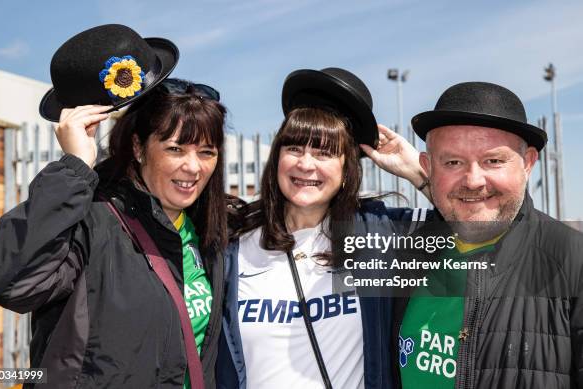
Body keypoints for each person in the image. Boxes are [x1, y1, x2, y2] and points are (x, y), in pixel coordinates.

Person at [0, 24, 228, 389]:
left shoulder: (213, 230)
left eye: (207, 152)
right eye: (175, 149)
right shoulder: (88, 220)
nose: (193, 167)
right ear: (139, 148)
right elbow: (9, 281)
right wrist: (75, 167)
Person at [216, 68, 431, 389]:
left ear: (347, 170)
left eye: (325, 153)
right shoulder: (234, 239)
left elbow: (478, 229)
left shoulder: (378, 233)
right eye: (294, 149)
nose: (306, 164)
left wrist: (416, 171)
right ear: (276, 159)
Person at [393, 81, 583, 388]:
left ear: (528, 163)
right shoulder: (407, 256)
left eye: (493, 160)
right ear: (428, 168)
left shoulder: (573, 262)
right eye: (452, 162)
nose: (473, 180)